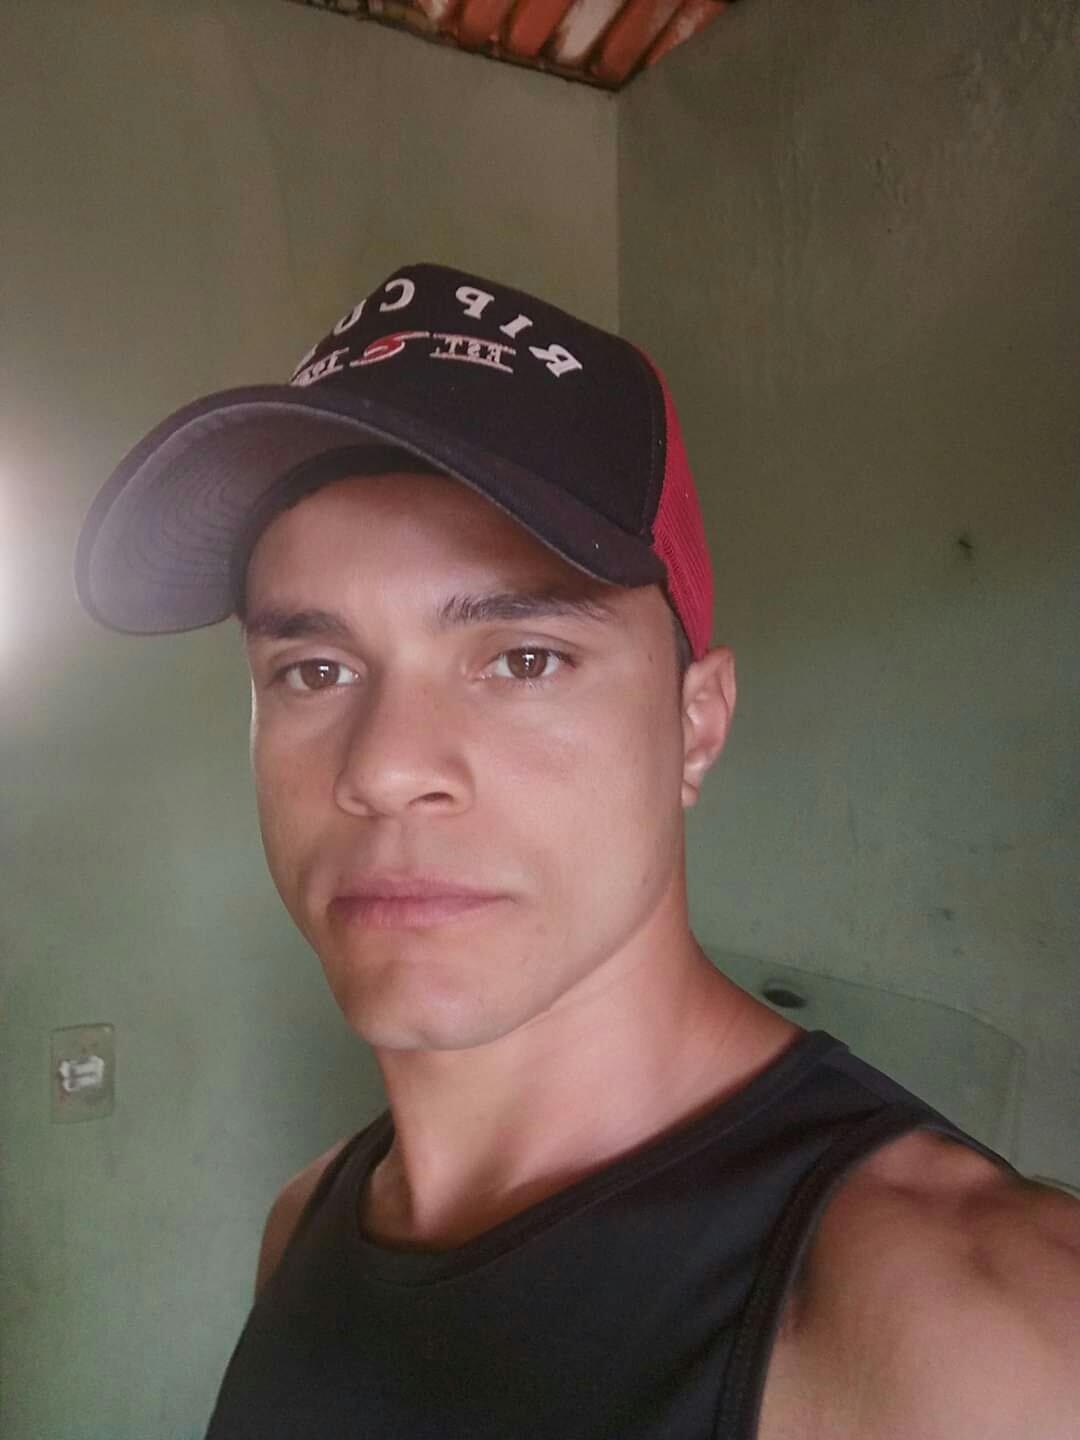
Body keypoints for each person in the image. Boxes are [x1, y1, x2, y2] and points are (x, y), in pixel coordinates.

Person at [76, 263, 1080, 1439]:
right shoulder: (301, 1228)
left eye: (525, 659)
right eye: (315, 669)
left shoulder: (982, 1339)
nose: (385, 766)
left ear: (695, 726)